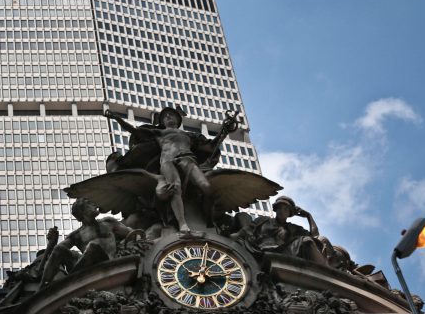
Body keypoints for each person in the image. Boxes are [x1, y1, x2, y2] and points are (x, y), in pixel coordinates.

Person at [105, 107, 236, 232]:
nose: (168, 117)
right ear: (162, 121)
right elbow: (134, 130)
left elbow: (211, 147)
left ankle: (211, 218)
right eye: (165, 116)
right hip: (167, 161)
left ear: (178, 119)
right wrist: (117, 118)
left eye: (171, 114)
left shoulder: (190, 136)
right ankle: (182, 223)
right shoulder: (159, 132)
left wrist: (224, 131)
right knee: (175, 188)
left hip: (187, 159)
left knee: (206, 186)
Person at [39, 198, 133, 287]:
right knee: (59, 249)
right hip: (87, 268)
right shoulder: (76, 235)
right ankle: (42, 289)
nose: (94, 204)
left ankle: (70, 281)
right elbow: (57, 251)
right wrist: (52, 243)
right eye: (89, 203)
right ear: (82, 211)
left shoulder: (108, 222)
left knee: (93, 246)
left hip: (107, 263)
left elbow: (131, 234)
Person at [251, 196, 330, 264]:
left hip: (282, 252)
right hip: (262, 249)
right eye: (279, 208)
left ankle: (325, 272)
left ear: (289, 213)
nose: (282, 211)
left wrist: (309, 216)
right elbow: (248, 229)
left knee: (308, 241)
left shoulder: (293, 228)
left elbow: (315, 235)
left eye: (286, 209)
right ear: (275, 209)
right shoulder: (263, 220)